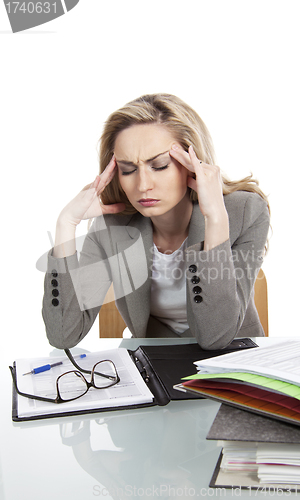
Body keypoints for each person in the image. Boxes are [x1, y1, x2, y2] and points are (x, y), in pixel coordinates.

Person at [42, 93, 270, 350]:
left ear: (191, 162)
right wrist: (66, 224)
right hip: (155, 358)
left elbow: (216, 337)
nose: (143, 185)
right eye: (128, 170)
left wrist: (216, 217)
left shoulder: (246, 212)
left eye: (159, 165)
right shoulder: (112, 228)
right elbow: (63, 335)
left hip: (233, 361)